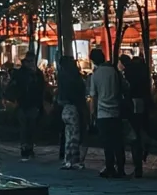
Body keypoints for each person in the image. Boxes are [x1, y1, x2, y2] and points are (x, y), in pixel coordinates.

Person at [90, 49, 127, 178]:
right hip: (116, 111)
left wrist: (93, 113)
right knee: (118, 141)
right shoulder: (114, 71)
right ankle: (121, 168)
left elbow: (94, 96)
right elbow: (123, 88)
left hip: (102, 113)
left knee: (107, 143)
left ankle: (110, 167)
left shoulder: (96, 74)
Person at [5, 51, 47, 161]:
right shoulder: (22, 74)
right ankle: (25, 148)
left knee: (31, 127)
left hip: (32, 104)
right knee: (25, 127)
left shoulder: (37, 74)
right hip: (23, 103)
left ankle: (29, 147)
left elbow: (41, 88)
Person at [119, 54, 150, 176]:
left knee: (133, 135)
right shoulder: (141, 72)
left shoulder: (127, 72)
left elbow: (126, 90)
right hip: (141, 103)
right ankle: (140, 161)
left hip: (131, 104)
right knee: (139, 132)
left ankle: (137, 165)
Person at [57, 55, 87, 170]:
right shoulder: (75, 78)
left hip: (65, 109)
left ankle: (67, 159)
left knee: (68, 135)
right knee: (75, 135)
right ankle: (75, 160)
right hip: (74, 108)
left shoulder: (62, 77)